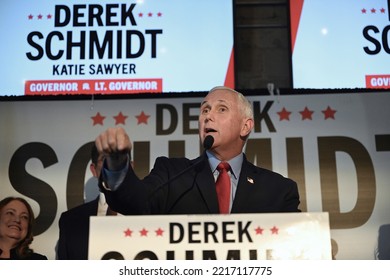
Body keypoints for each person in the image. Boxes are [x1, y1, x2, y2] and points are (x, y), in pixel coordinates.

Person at [95, 86, 301, 215]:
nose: (208, 116)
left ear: (245, 126)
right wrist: (116, 165)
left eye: (221, 109)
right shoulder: (171, 174)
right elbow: (135, 203)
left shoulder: (279, 190)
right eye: (205, 110)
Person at [57, 144, 115, 260]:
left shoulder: (152, 213)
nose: (112, 164)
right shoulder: (70, 222)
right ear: (94, 170)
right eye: (104, 159)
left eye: (119, 158)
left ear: (131, 167)